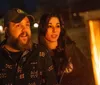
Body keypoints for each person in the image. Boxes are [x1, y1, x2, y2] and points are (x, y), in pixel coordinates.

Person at [0, 8, 57, 85]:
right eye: (18, 25)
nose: (24, 30)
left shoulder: (41, 54)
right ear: (7, 31)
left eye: (27, 25)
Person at [38, 13, 93, 85]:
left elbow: (88, 73)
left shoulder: (71, 50)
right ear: (43, 28)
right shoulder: (38, 56)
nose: (55, 30)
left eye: (57, 26)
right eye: (50, 26)